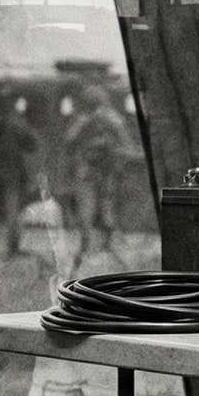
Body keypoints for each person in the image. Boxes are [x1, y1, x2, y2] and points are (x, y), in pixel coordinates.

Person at [65, 85, 129, 267]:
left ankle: (103, 245)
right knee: (89, 210)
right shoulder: (83, 121)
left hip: (105, 170)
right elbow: (69, 142)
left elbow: (123, 143)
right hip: (88, 171)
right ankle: (90, 246)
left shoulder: (112, 119)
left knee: (104, 209)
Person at [0, 91, 39, 258]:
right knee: (13, 214)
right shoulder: (17, 126)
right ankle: (13, 249)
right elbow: (32, 144)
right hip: (12, 175)